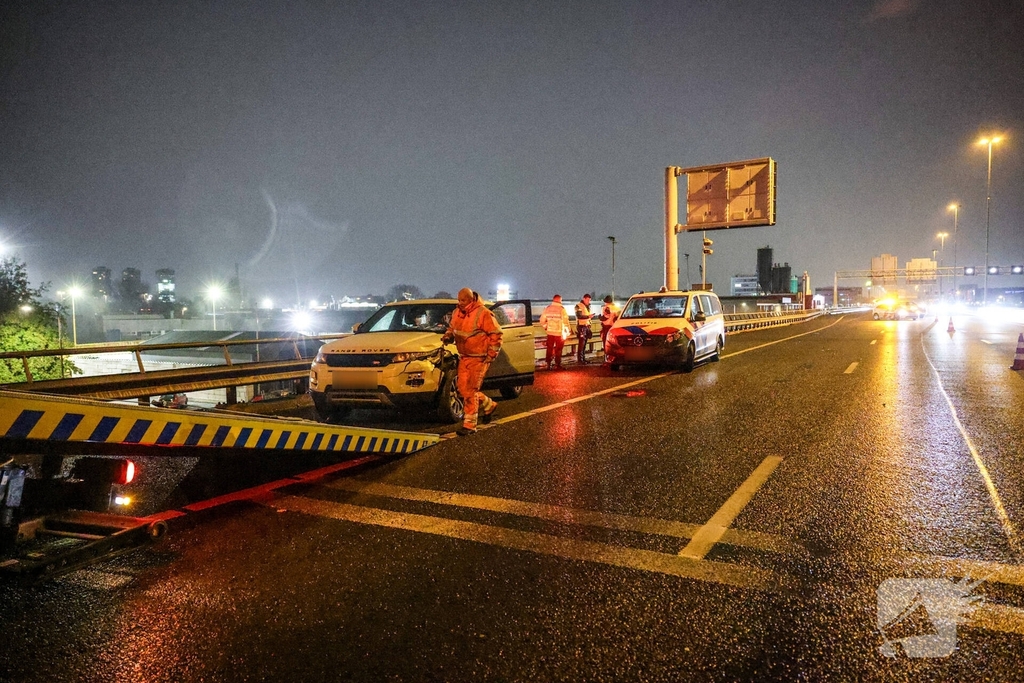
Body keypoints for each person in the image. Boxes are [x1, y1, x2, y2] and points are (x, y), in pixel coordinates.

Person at [442, 288, 503, 436]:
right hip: (465, 356)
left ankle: (470, 425)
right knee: (462, 389)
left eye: (463, 300)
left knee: (470, 391)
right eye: (459, 300)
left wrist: (491, 355)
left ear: (471, 299)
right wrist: (448, 336)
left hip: (479, 358)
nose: (460, 303)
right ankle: (489, 404)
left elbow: (496, 334)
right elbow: (452, 328)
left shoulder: (483, 313)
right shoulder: (457, 312)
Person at [539, 294, 569, 370]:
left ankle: (548, 364)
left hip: (550, 333)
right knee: (558, 349)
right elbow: (565, 322)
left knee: (549, 348)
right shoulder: (561, 309)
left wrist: (546, 327)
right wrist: (568, 331)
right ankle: (557, 364)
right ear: (559, 300)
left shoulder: (547, 308)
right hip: (559, 333)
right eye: (561, 300)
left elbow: (542, 320)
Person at [574, 294, 593, 364]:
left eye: (589, 300)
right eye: (587, 300)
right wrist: (588, 316)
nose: (588, 301)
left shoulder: (587, 306)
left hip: (586, 326)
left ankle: (583, 359)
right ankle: (580, 360)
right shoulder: (578, 306)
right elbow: (579, 316)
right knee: (581, 344)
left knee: (584, 344)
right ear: (584, 299)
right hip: (581, 326)